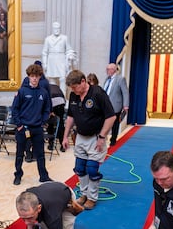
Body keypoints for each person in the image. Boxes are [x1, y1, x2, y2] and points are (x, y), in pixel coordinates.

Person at [62, 70, 116, 210]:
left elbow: (111, 117)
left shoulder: (98, 93)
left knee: (92, 169)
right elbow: (70, 117)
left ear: (83, 81)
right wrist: (65, 136)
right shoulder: (74, 95)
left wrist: (102, 137)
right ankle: (84, 194)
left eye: (75, 87)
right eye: (71, 88)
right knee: (80, 168)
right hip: (80, 137)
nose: (73, 91)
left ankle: (92, 198)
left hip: (96, 138)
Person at [11, 62, 52, 185]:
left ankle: (43, 176)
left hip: (37, 129)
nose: (34, 78)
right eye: (32, 76)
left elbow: (47, 109)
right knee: (19, 154)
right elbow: (15, 109)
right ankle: (18, 175)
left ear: (40, 77)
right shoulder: (22, 91)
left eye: (37, 76)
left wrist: (43, 121)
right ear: (28, 76)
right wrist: (19, 125)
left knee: (40, 154)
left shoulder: (43, 92)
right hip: (23, 128)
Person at [41, 22, 76, 90]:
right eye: (55, 29)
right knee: (52, 80)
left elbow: (69, 49)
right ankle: (53, 97)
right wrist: (44, 63)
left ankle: (62, 97)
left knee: (62, 78)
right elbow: (44, 52)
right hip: (51, 60)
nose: (56, 30)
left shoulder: (64, 38)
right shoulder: (48, 39)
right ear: (53, 29)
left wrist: (70, 55)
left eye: (58, 28)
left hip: (61, 59)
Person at [104, 63, 130, 146]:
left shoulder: (120, 79)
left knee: (115, 123)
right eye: (107, 69)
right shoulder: (107, 79)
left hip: (115, 105)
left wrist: (126, 105)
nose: (107, 71)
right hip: (105, 104)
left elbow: (125, 93)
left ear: (113, 70)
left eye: (108, 69)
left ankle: (113, 139)